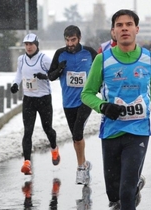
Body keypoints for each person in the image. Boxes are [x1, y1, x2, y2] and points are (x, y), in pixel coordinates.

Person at [81, 9, 151, 210]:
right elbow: (87, 93)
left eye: (129, 24)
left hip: (138, 131)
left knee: (126, 193)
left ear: (137, 29)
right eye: (119, 25)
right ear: (113, 32)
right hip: (111, 132)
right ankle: (133, 186)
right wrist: (103, 106)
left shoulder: (149, 57)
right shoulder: (103, 59)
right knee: (114, 194)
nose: (124, 29)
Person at [47, 25, 97, 185]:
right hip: (68, 102)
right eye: (67, 40)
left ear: (79, 38)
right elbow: (50, 76)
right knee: (76, 138)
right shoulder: (60, 54)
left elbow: (102, 70)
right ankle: (85, 164)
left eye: (73, 40)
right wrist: (59, 70)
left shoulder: (89, 52)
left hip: (86, 99)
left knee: (77, 132)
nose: (70, 43)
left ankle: (80, 168)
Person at [10, 33, 60, 175]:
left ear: (36, 45)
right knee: (28, 131)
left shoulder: (44, 59)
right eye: (26, 44)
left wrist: (44, 76)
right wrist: (15, 84)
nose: (29, 47)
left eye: (31, 44)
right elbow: (19, 74)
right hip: (29, 100)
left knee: (47, 128)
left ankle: (54, 148)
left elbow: (54, 75)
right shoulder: (21, 59)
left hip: (44, 99)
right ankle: (27, 162)